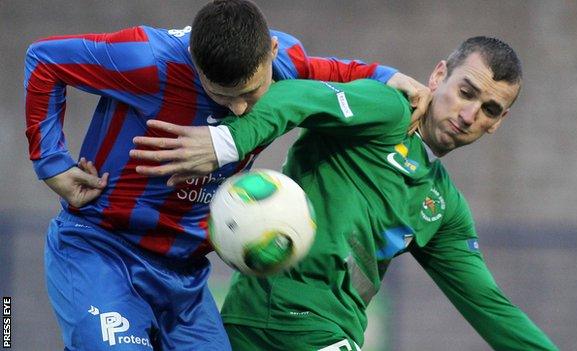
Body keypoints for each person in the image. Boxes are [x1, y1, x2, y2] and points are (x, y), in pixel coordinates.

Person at [23, 0, 431, 349]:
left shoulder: (287, 60)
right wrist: (52, 163)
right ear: (194, 62)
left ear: (271, 51)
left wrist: (387, 77)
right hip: (104, 249)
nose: (238, 110)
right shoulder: (147, 59)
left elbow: (336, 71)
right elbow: (44, 60)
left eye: (250, 93)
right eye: (221, 95)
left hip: (185, 276)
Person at [131, 37, 558, 350]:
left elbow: (490, 306)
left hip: (323, 334)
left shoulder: (442, 208)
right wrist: (228, 141)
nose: (468, 115)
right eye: (466, 92)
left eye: (489, 110)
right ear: (439, 75)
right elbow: (295, 96)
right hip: (279, 316)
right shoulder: (388, 110)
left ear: (498, 122)